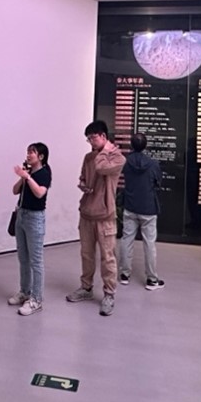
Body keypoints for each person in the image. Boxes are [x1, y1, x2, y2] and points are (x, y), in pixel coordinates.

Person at [65, 120, 125, 316]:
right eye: (88, 139)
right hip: (87, 212)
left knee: (108, 257)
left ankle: (109, 294)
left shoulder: (117, 158)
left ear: (104, 136)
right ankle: (86, 287)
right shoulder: (88, 157)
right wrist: (83, 184)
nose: (90, 142)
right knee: (86, 254)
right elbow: (84, 175)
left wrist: (106, 149)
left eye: (93, 137)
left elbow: (101, 168)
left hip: (105, 215)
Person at [8, 143, 52, 316]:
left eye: (32, 152)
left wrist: (27, 177)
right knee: (23, 258)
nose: (28, 155)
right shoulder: (29, 173)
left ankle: (37, 299)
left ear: (40, 156)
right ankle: (24, 291)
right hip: (21, 215)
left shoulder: (44, 173)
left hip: (35, 218)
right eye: (27, 152)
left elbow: (40, 193)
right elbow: (14, 191)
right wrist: (23, 177)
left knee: (36, 261)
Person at [118, 133, 164, 290]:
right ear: (145, 145)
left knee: (127, 240)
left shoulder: (126, 162)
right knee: (149, 244)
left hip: (130, 205)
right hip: (148, 207)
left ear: (131, 145)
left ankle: (124, 275)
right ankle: (152, 279)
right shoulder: (153, 164)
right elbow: (158, 182)